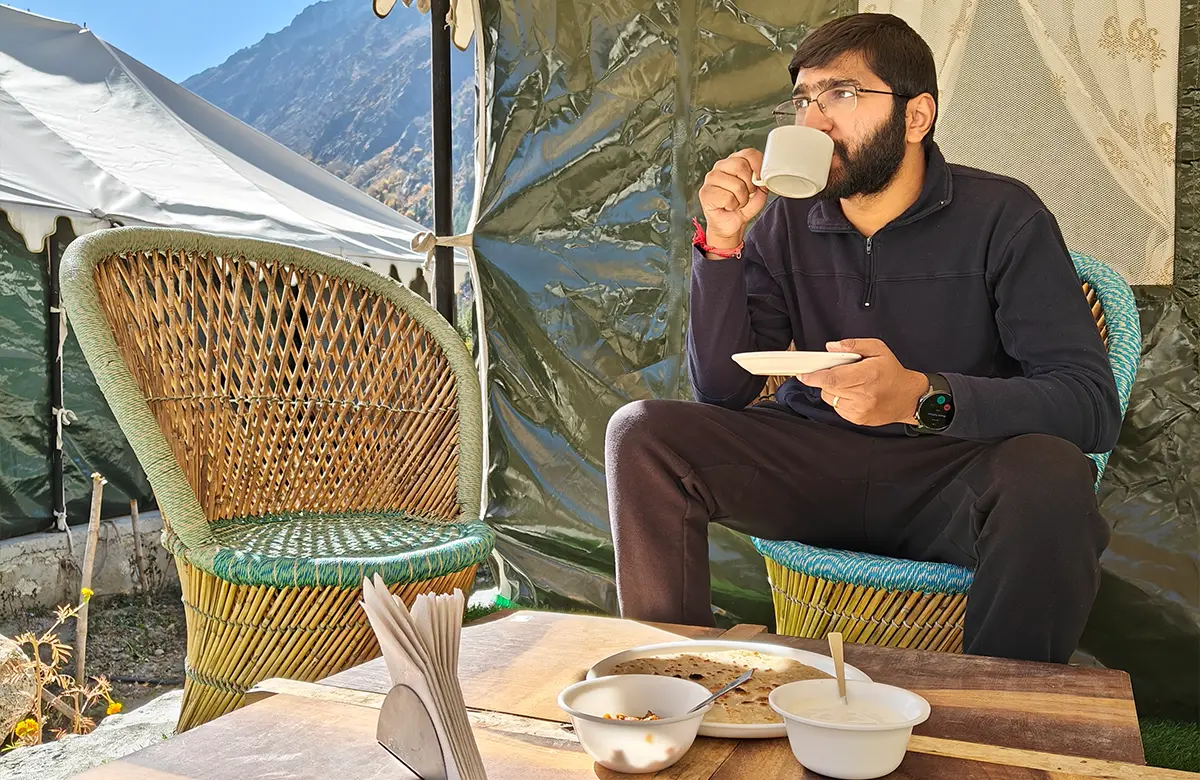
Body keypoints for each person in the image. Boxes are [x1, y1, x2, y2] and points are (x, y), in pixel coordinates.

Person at [604, 12, 1120, 664]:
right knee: (643, 434)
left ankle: (999, 724)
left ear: (916, 116)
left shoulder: (1005, 219)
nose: (814, 120)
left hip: (948, 475)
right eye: (803, 100)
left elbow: (1089, 406)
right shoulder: (782, 222)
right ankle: (670, 682)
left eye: (841, 95)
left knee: (1051, 474)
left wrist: (921, 398)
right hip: (813, 465)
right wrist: (724, 245)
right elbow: (723, 389)